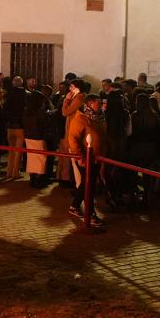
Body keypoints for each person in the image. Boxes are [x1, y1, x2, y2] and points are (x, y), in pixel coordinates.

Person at [65, 91, 107, 227]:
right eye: (97, 103)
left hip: (95, 157)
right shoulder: (81, 118)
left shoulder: (98, 117)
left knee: (86, 184)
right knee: (89, 186)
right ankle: (91, 215)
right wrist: (79, 156)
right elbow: (73, 137)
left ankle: (75, 206)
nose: (100, 105)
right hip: (85, 158)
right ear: (89, 104)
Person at [2, 77, 27, 180]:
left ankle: (9, 171)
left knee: (11, 150)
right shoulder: (25, 94)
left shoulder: (8, 95)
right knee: (18, 151)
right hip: (20, 126)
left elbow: (5, 109)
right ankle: (15, 172)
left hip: (10, 125)